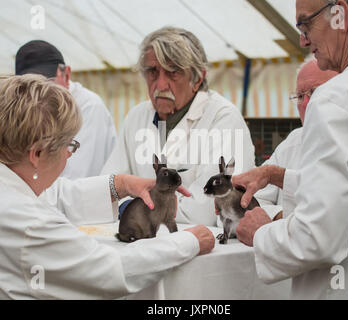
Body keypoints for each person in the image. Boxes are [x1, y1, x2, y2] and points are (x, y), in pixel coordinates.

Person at [0, 74, 215, 299]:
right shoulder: (29, 223)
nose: (69, 154)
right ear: (37, 154)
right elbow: (110, 270)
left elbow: (54, 196)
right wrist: (189, 241)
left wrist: (120, 184)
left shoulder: (10, 187)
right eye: (69, 145)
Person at [234, 0, 348, 299]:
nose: (302, 39)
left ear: (340, 14)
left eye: (306, 23)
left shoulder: (336, 98)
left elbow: (317, 239)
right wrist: (279, 175)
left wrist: (262, 233)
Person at [101, 26, 255, 226]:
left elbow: (209, 208)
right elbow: (106, 188)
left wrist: (129, 206)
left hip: (201, 251)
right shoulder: (137, 117)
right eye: (152, 72)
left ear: (197, 78)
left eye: (173, 72)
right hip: (138, 245)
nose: (161, 85)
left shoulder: (223, 119)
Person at [15, 40, 117, 179]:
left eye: (47, 83)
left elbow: (77, 179)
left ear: (66, 74)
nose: (39, 93)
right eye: (31, 86)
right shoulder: (25, 109)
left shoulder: (89, 107)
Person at [254, 58, 338, 221]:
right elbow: (253, 199)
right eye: (299, 96)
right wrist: (279, 216)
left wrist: (280, 218)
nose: (306, 103)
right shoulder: (293, 141)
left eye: (315, 92)